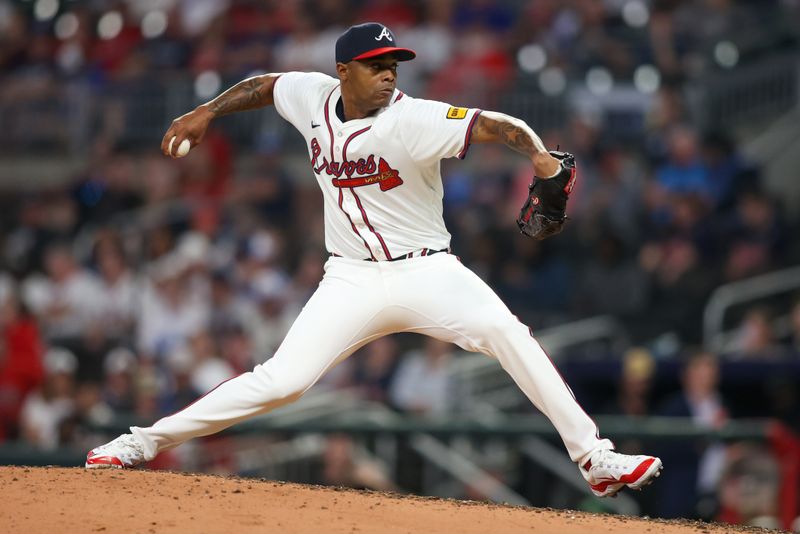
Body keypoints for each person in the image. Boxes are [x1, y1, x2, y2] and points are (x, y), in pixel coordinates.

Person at [86, 22, 662, 498]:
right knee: (282, 382)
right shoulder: (313, 96)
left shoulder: (414, 118)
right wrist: (207, 110)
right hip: (350, 278)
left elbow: (496, 125)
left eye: (394, 62)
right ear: (343, 72)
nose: (389, 71)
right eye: (375, 62)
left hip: (426, 270)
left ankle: (595, 457)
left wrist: (538, 156)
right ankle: (141, 441)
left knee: (506, 332)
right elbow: (264, 86)